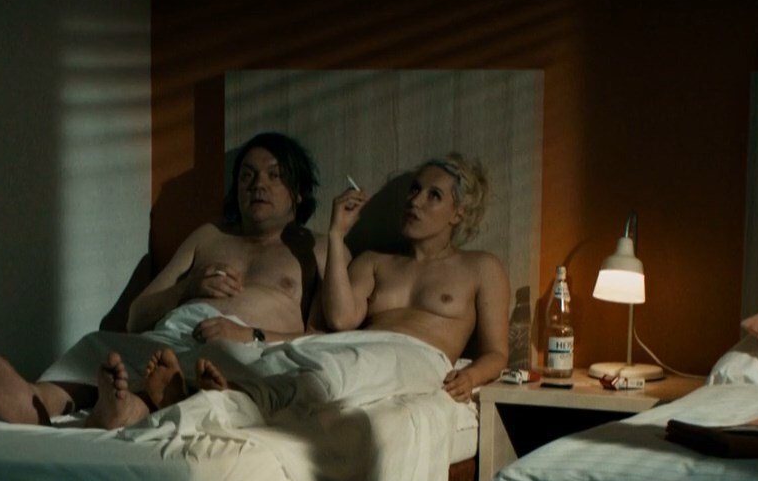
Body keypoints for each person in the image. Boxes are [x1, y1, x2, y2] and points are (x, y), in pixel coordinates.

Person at [97, 152, 509, 429]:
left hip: (417, 357)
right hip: (354, 345)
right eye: (415, 190)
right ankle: (184, 398)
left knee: (327, 376)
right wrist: (336, 233)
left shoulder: (480, 267)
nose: (415, 201)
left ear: (459, 213)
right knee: (282, 360)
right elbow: (342, 321)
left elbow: (497, 353)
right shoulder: (375, 262)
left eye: (433, 195)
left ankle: (211, 398)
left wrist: (471, 376)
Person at [0, 132, 330, 426]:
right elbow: (137, 315)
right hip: (167, 337)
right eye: (247, 176)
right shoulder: (209, 236)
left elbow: (324, 335)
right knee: (99, 345)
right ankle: (36, 401)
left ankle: (130, 406)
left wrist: (250, 334)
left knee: (196, 366)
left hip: (240, 348)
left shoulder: (316, 248)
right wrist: (187, 288)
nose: (258, 185)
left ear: (299, 192)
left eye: (274, 175)